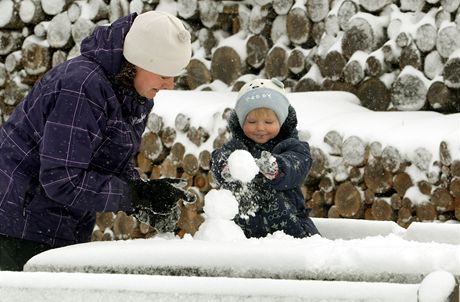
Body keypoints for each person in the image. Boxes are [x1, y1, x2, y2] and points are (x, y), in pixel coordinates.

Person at [0, 11, 195, 271]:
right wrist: (132, 197)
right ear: (137, 61)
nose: (170, 85)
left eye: (174, 75)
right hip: (20, 226)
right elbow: (62, 178)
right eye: (163, 74)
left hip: (62, 225)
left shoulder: (131, 92)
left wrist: (145, 193)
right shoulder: (82, 87)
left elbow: (107, 163)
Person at [211, 78, 320, 238]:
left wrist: (277, 167)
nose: (260, 127)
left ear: (281, 121)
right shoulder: (236, 148)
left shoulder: (292, 146)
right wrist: (226, 167)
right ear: (241, 123)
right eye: (252, 121)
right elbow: (218, 160)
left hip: (291, 232)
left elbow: (298, 164)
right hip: (244, 236)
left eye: (268, 121)